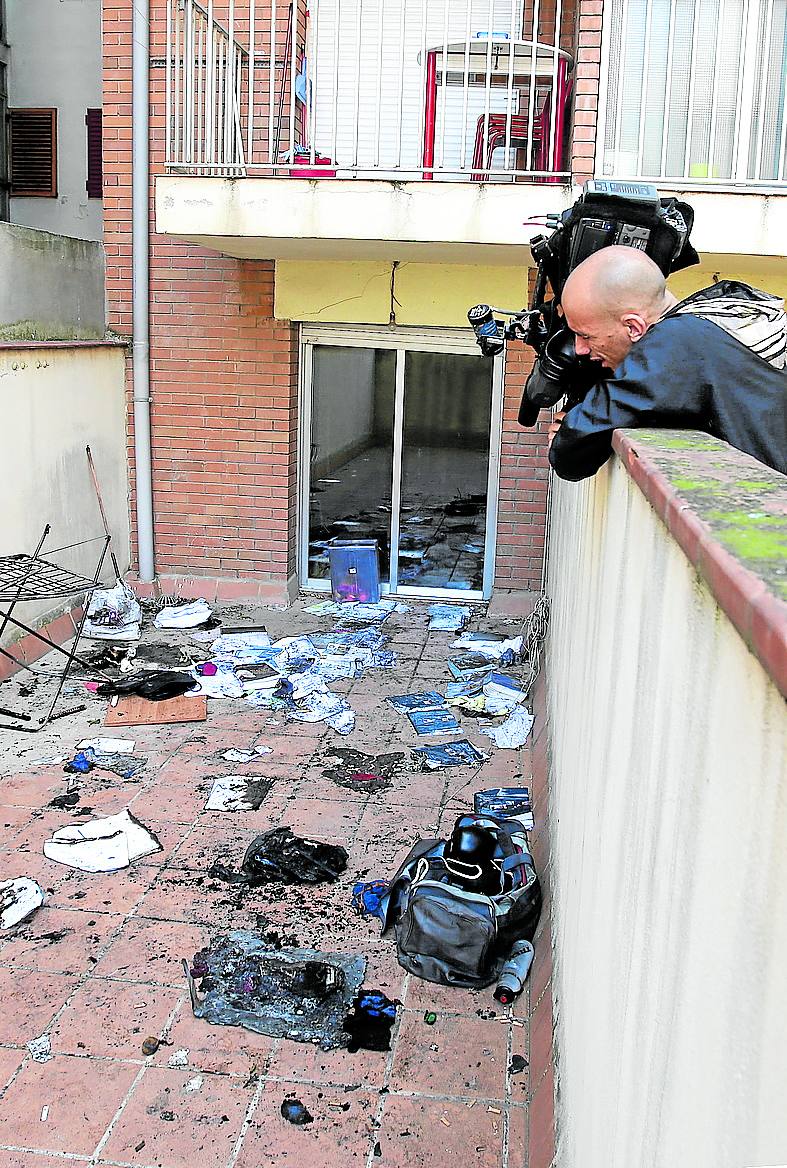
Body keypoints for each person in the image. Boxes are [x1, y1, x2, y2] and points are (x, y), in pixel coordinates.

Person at [539, 246, 787, 480]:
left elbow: (571, 456)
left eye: (586, 335)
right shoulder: (716, 321)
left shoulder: (675, 344)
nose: (580, 349)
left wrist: (566, 433)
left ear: (633, 326)